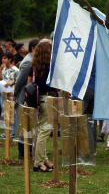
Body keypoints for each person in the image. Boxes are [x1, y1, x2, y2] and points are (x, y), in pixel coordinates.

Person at [29, 41, 55, 172]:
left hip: (39, 99)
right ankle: (38, 162)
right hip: (48, 99)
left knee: (41, 131)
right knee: (44, 132)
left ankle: (43, 159)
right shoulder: (50, 66)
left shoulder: (34, 65)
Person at [14, 38, 40, 159]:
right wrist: (16, 95)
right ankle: (22, 151)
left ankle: (31, 148)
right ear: (33, 48)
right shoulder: (28, 61)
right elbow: (19, 82)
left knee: (30, 125)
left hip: (30, 97)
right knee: (24, 125)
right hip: (24, 97)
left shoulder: (32, 60)